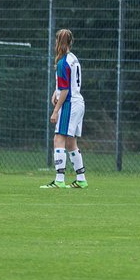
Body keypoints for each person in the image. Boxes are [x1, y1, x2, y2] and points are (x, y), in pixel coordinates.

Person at [44, 28, 87, 189]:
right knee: (70, 142)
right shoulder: (73, 58)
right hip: (79, 102)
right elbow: (68, 84)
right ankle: (81, 179)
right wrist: (56, 91)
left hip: (69, 103)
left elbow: (66, 90)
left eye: (56, 41)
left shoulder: (63, 62)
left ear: (59, 42)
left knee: (58, 139)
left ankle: (59, 180)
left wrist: (56, 110)